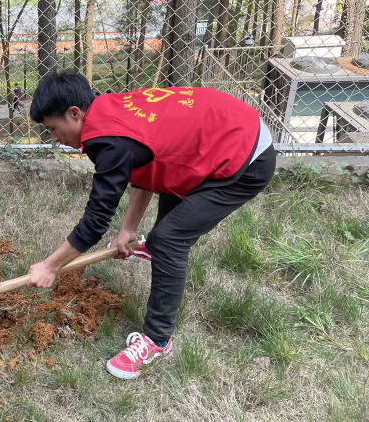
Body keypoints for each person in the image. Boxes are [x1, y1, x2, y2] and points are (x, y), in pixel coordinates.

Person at [26, 73, 275, 380]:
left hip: (245, 156)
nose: (53, 137)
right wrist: (128, 230)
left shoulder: (107, 141)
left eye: (52, 128)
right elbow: (146, 166)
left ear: (75, 113)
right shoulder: (106, 110)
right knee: (165, 228)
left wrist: (50, 267)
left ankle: (158, 341)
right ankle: (154, 246)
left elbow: (95, 221)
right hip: (222, 134)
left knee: (171, 239)